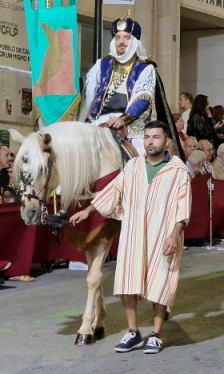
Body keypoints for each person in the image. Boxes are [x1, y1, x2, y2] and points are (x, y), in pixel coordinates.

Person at [69, 121, 191, 355]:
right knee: (128, 281)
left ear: (166, 141)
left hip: (163, 235)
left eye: (155, 137)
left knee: (160, 281)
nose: (150, 142)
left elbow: (182, 207)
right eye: (146, 137)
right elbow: (113, 190)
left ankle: (155, 334)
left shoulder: (178, 170)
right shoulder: (133, 166)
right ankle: (133, 332)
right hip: (134, 233)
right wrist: (88, 211)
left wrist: (174, 236)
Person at [78, 16, 180, 155]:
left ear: (135, 41)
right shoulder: (102, 64)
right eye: (118, 37)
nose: (121, 42)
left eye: (127, 37)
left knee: (141, 157)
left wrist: (123, 119)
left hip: (132, 124)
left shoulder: (144, 67)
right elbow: (88, 93)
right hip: (100, 120)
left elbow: (142, 97)